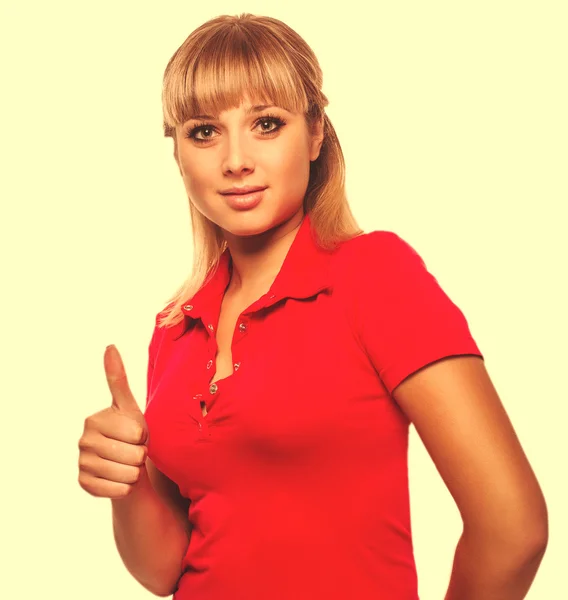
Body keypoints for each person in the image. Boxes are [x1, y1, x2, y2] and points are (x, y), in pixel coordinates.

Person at [77, 13, 548, 600]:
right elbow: (166, 570)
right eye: (204, 132)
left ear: (317, 133)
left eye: (266, 124)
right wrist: (127, 489)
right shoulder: (175, 326)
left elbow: (513, 528)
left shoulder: (375, 276)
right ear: (177, 152)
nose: (235, 160)